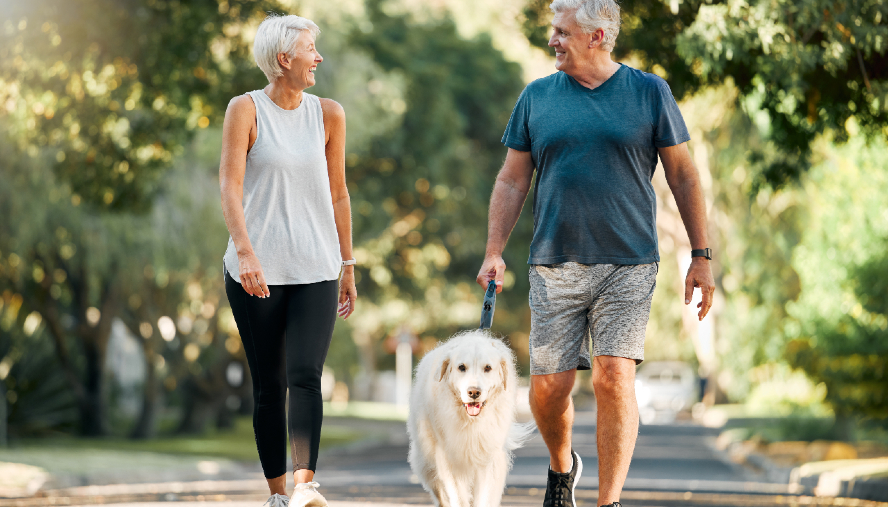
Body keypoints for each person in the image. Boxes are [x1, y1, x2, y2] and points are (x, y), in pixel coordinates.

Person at [475, 1, 715, 507]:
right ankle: (563, 467)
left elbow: (684, 175)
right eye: (553, 31)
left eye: (562, 32)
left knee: (613, 376)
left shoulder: (649, 92)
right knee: (548, 388)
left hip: (629, 261)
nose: (552, 40)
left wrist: (701, 253)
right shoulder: (537, 97)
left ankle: (609, 500)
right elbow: (512, 178)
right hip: (553, 260)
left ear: (598, 36)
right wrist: (494, 250)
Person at [219, 13, 357, 507]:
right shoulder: (246, 109)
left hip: (316, 268)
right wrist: (247, 253)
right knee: (270, 383)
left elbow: (339, 195)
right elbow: (230, 187)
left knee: (306, 375)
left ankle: (304, 488)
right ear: (284, 59)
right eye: (309, 49)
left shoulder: (329, 114)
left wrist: (348, 266)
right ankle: (278, 493)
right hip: (255, 272)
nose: (317, 57)